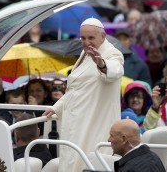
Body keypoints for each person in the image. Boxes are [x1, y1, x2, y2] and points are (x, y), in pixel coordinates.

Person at [43, 17, 124, 172]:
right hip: (76, 121)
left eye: (91, 38)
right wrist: (56, 107)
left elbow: (115, 70)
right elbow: (76, 87)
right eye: (83, 38)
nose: (86, 42)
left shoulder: (113, 54)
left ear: (103, 36)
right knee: (72, 158)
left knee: (86, 160)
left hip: (93, 121)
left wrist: (102, 64)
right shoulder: (86, 52)